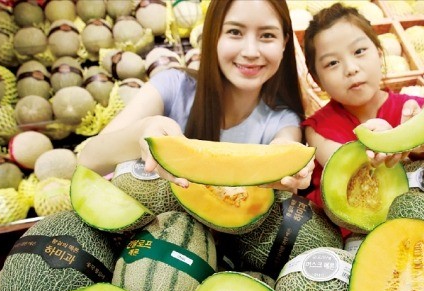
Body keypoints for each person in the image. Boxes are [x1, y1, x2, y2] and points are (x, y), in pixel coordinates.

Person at [78, 0, 313, 192]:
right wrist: (144, 129)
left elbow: (286, 154)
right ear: (213, 37)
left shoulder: (284, 120)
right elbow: (88, 159)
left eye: (267, 35)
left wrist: (293, 171)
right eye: (234, 32)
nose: (250, 51)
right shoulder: (172, 85)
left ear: (285, 42)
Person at [301, 3, 424, 209]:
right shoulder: (316, 130)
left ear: (378, 53)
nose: (351, 69)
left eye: (359, 51)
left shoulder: (414, 109)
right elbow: (347, 167)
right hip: (347, 229)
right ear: (316, 79)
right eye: (332, 63)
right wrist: (386, 142)